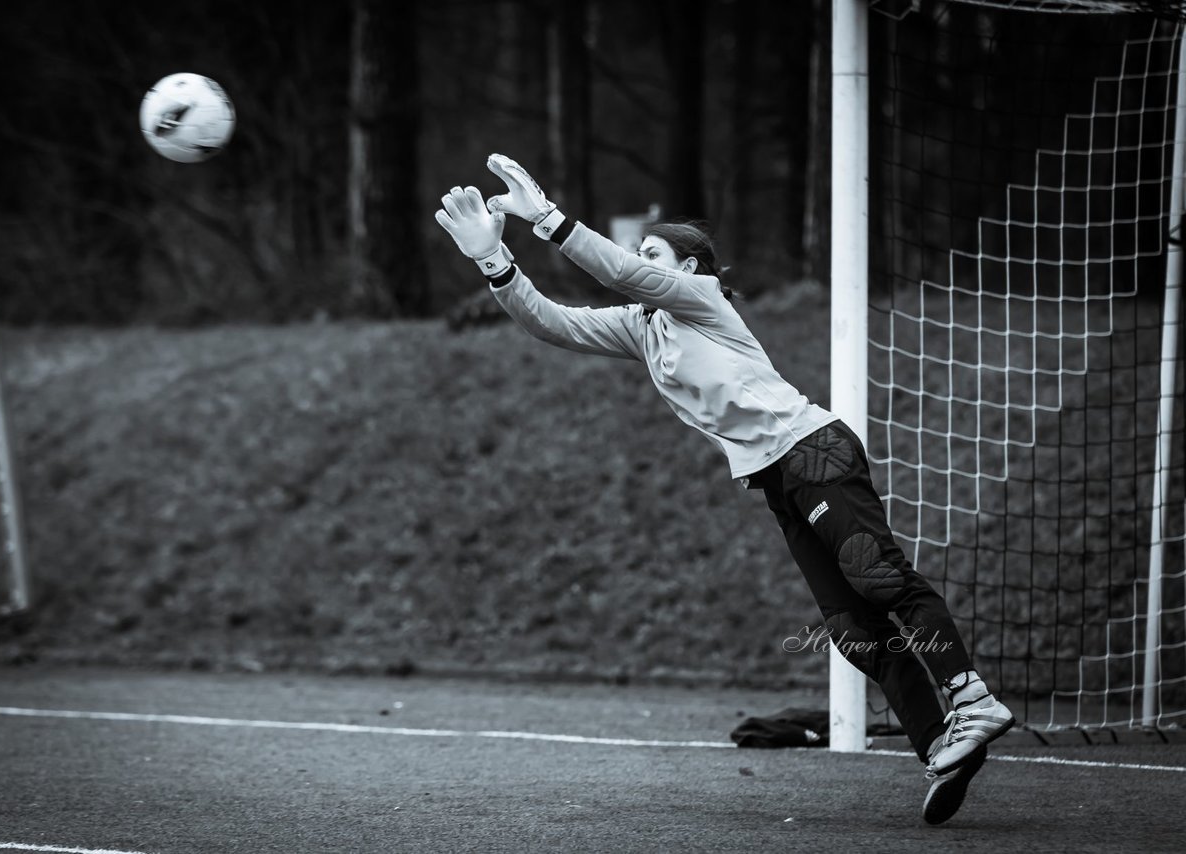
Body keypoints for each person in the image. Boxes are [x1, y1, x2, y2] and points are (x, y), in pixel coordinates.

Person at [435, 154, 1015, 825]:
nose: (640, 260)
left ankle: (972, 702)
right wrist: (493, 259)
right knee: (854, 631)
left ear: (689, 269)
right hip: (778, 477)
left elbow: (621, 272)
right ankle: (943, 744)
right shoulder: (644, 328)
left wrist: (549, 220)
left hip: (813, 451)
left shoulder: (700, 297)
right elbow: (549, 322)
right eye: (641, 252)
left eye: (654, 253)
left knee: (879, 580)